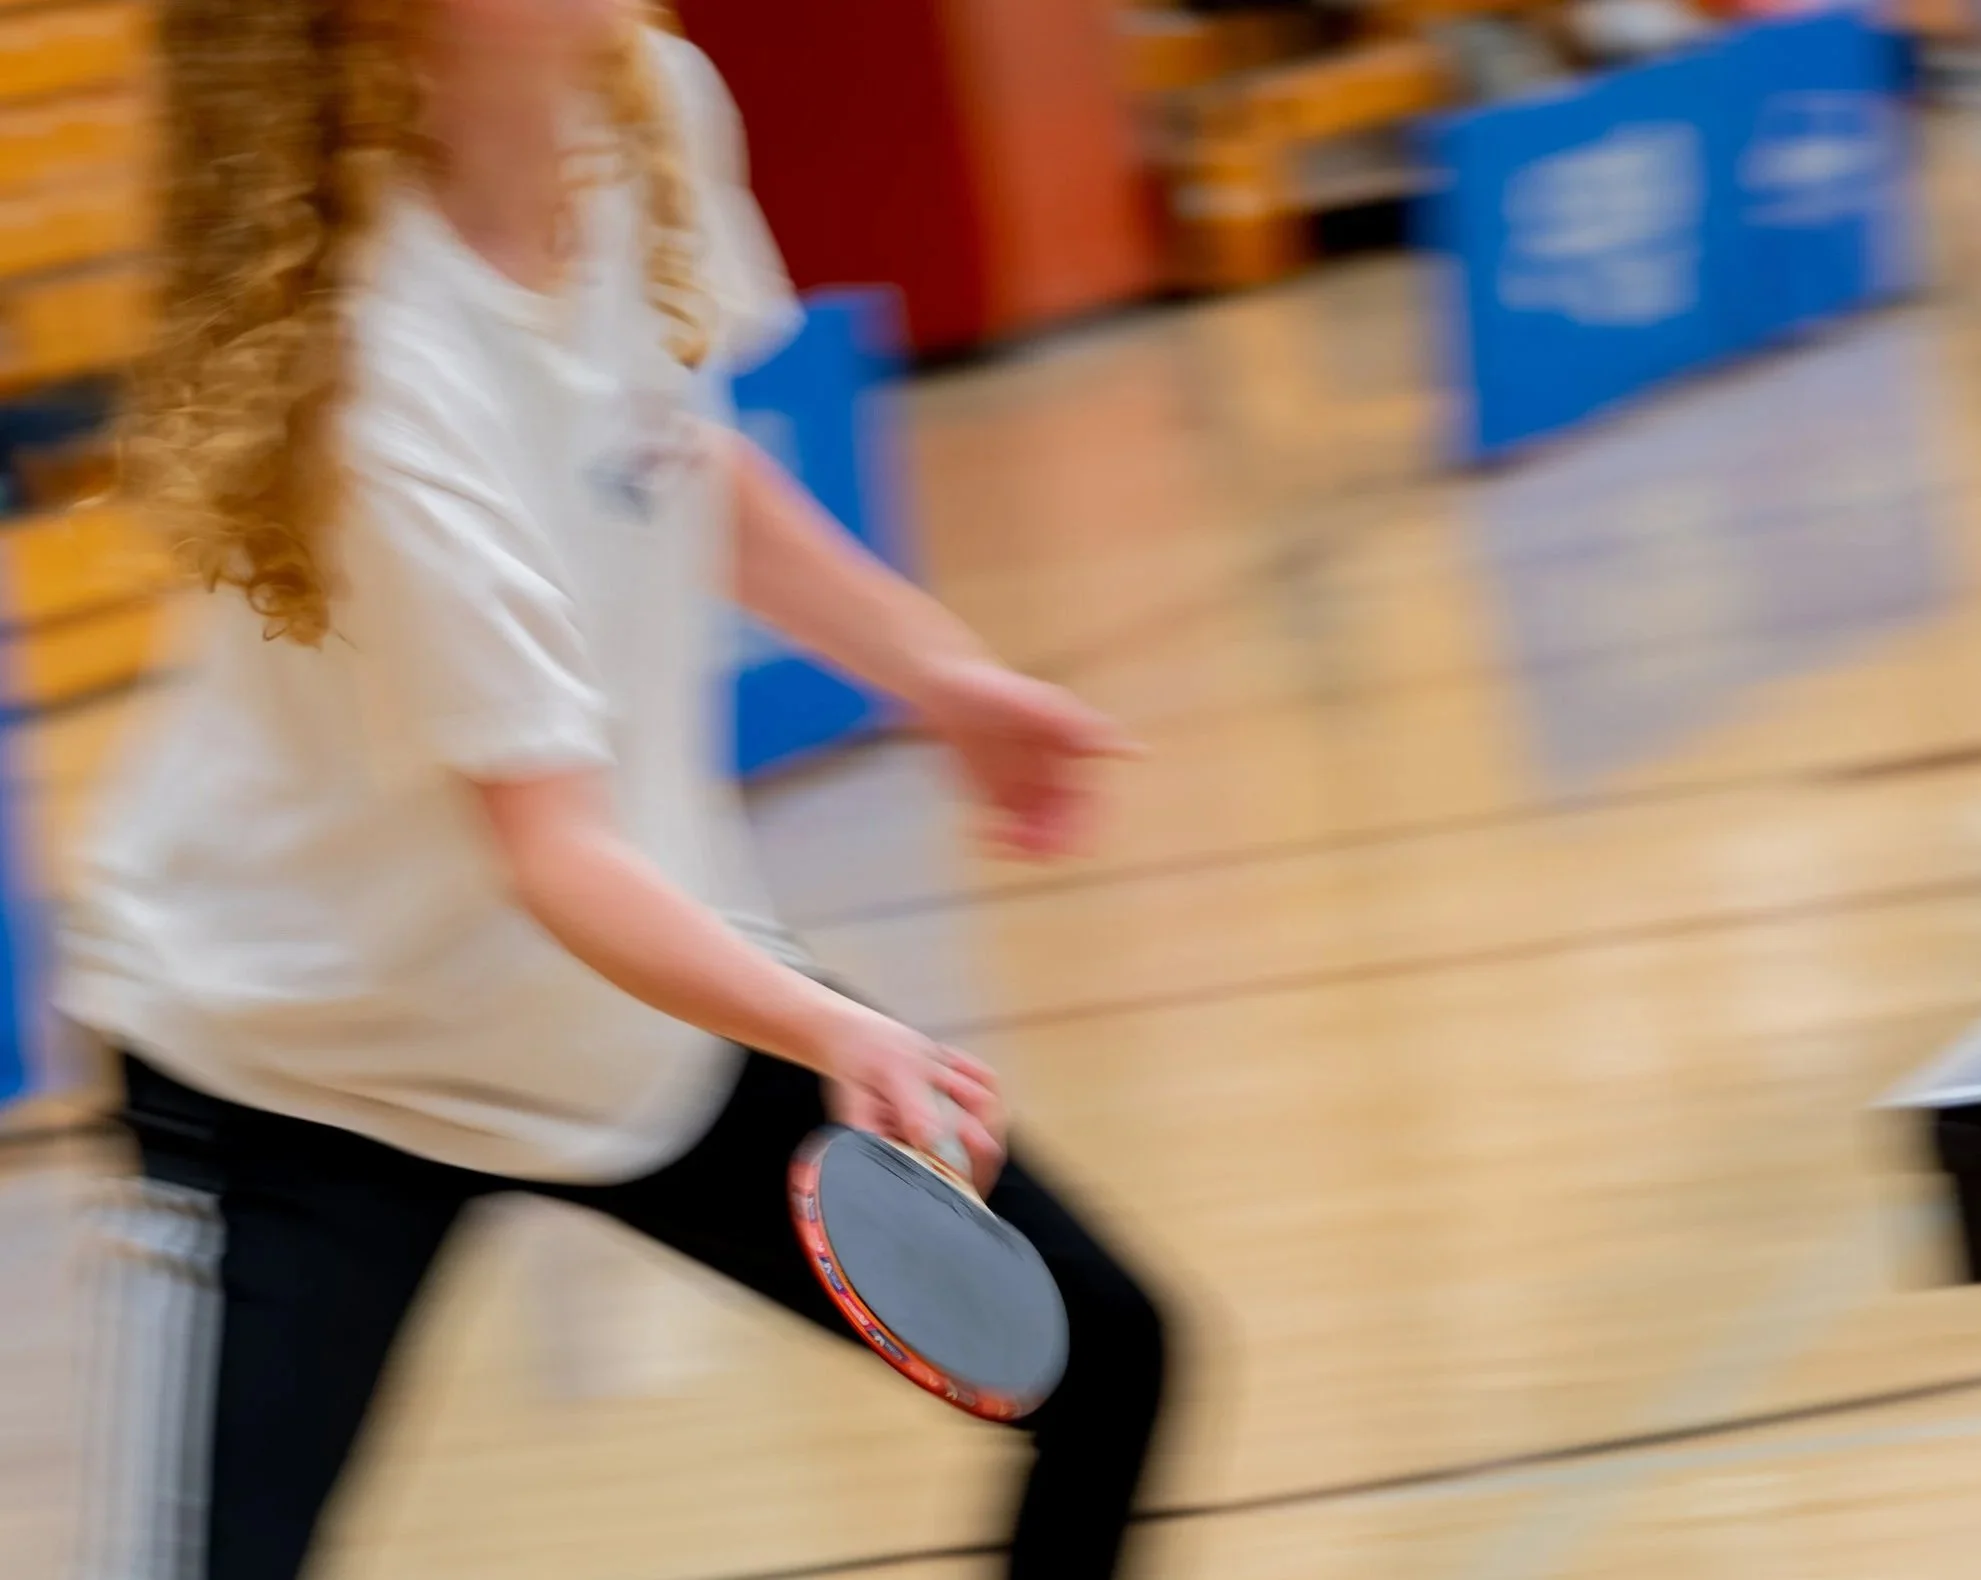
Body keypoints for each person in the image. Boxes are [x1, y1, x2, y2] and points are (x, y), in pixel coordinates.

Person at [64, 2, 1168, 1577]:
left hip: (616, 1012)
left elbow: (677, 452)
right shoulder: (376, 368)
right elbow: (554, 854)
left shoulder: (642, 98)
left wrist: (938, 672)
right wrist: (829, 1026)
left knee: (1107, 1351)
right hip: (302, 1070)